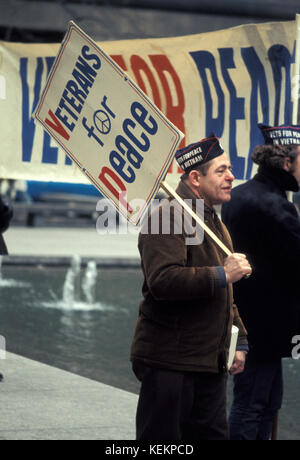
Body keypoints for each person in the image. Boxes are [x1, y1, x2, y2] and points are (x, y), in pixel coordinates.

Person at [130, 134, 252, 440]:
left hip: (208, 362)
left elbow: (226, 294)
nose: (231, 177)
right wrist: (222, 274)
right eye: (221, 170)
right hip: (170, 362)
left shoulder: (213, 221)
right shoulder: (167, 217)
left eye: (230, 169)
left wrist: (238, 340)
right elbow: (163, 281)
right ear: (195, 178)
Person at [221, 123, 300, 440]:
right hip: (262, 327)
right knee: (254, 405)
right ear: (286, 164)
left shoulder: (240, 195)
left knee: (267, 402)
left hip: (251, 324)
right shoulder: (274, 204)